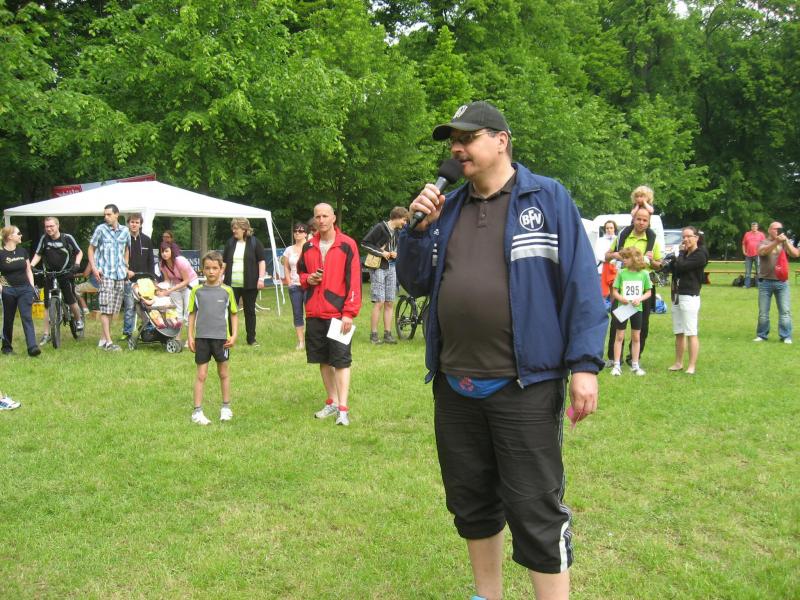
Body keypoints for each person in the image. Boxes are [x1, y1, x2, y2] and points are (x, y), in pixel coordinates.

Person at [396, 101, 606, 600]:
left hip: (524, 384)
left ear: (501, 141)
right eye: (453, 140)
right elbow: (416, 282)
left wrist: (584, 365)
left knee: (534, 506)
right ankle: (486, 595)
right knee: (472, 503)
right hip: (455, 384)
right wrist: (417, 231)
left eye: (467, 137)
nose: (457, 148)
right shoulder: (448, 210)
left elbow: (581, 284)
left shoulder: (548, 198)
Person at [298, 203, 362, 427]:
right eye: (318, 216)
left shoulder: (347, 244)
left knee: (341, 361)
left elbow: (355, 280)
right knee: (323, 360)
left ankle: (343, 409)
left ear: (334, 218)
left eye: (325, 216)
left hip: (338, 313)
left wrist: (349, 313)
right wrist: (308, 279)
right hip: (314, 312)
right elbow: (301, 273)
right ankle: (332, 401)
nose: (321, 220)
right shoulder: (308, 246)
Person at [604, 207, 662, 366]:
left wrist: (652, 261)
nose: (641, 222)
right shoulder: (623, 237)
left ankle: (634, 358)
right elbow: (607, 256)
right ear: (633, 220)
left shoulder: (653, 241)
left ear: (648, 222)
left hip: (643, 286)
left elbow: (659, 264)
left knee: (642, 324)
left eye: (645, 220)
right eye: (639, 219)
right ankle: (614, 358)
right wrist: (615, 255)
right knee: (618, 321)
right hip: (623, 285)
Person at [187, 251, 238, 425]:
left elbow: (234, 314)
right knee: (201, 375)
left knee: (223, 373)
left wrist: (234, 335)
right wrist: (190, 336)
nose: (211, 271)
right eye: (207, 268)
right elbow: (192, 314)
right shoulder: (196, 291)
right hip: (202, 339)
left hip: (222, 340)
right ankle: (197, 411)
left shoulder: (227, 291)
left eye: (215, 268)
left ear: (221, 269)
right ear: (202, 269)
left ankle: (226, 407)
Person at [30, 217, 84, 345]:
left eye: (51, 226)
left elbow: (79, 252)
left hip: (66, 273)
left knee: (70, 299)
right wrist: (31, 265)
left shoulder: (67, 238)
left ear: (57, 226)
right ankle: (46, 334)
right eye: (47, 227)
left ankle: (78, 320)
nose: (49, 229)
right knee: (47, 304)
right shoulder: (44, 239)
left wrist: (77, 264)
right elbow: (38, 254)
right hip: (49, 274)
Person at [361, 206, 409, 344]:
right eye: (404, 220)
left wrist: (396, 253)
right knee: (379, 302)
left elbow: (397, 248)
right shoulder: (380, 227)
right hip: (378, 268)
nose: (405, 223)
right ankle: (374, 335)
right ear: (397, 217)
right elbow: (365, 243)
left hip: (392, 267)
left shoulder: (398, 232)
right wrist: (382, 253)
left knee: (389, 302)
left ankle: (388, 334)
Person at [87, 204, 130, 351]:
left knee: (113, 309)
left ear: (117, 214)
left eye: (109, 214)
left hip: (120, 274)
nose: (106, 217)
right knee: (105, 308)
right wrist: (94, 268)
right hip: (105, 273)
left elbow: (127, 249)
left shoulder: (125, 231)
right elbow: (91, 248)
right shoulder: (101, 229)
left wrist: (126, 266)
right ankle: (109, 343)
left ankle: (103, 338)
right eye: (105, 214)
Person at [668, 226, 709, 374]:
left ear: (696, 237)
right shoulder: (684, 254)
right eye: (683, 237)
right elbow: (674, 268)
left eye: (688, 236)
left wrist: (679, 254)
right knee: (678, 331)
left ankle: (691, 366)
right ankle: (678, 362)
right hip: (677, 295)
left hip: (690, 295)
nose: (685, 239)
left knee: (691, 332)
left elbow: (682, 266)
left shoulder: (700, 255)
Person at [222, 218, 266, 347]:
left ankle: (251, 339)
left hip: (250, 284)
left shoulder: (255, 242)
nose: (233, 231)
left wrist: (261, 279)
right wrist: (220, 277)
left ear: (244, 229)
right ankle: (229, 338)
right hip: (231, 284)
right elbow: (224, 262)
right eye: (233, 228)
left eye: (236, 228)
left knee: (250, 311)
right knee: (230, 311)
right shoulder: (230, 243)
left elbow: (261, 261)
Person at [753, 221, 800, 344]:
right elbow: (762, 252)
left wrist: (786, 242)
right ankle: (762, 335)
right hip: (765, 282)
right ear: (769, 230)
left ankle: (786, 336)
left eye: (780, 229)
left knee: (785, 311)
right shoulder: (763, 242)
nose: (777, 231)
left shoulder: (784, 242)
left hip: (782, 282)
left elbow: (796, 254)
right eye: (775, 229)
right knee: (763, 312)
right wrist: (776, 242)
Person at [609, 247, 652, 376]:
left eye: (626, 258)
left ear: (635, 259)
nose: (624, 260)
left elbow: (648, 292)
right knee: (619, 336)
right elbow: (614, 291)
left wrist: (640, 299)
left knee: (636, 337)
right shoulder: (621, 273)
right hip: (623, 308)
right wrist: (620, 298)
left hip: (637, 308)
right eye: (623, 258)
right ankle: (616, 365)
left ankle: (635, 365)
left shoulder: (644, 274)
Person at [0, 226, 41, 357]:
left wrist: (32, 286)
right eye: (18, 233)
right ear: (10, 237)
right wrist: (1, 288)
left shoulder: (22, 251)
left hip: (25, 289)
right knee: (8, 319)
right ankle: (6, 348)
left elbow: (28, 270)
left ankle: (32, 347)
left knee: (27, 317)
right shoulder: (1, 254)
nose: (21, 235)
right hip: (8, 290)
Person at [121, 213, 155, 340]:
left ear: (140, 224)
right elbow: (120, 259)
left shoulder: (147, 240)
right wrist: (125, 272)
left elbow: (151, 260)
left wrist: (152, 277)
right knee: (130, 306)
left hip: (145, 280)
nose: (134, 224)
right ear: (128, 224)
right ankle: (127, 332)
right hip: (129, 279)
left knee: (146, 305)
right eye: (132, 222)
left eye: (137, 222)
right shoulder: (123, 239)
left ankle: (148, 329)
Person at [157, 241, 198, 341]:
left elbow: (186, 280)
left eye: (166, 251)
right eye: (162, 252)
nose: (164, 254)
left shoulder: (180, 261)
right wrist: (159, 287)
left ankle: (190, 339)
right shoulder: (162, 264)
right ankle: (177, 337)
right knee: (176, 312)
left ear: (171, 251)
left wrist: (170, 290)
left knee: (188, 312)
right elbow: (167, 280)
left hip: (190, 284)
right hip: (176, 285)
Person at [281, 223, 308, 350]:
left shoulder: (310, 247)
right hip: (294, 286)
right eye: (296, 230)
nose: (297, 233)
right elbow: (286, 267)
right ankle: (301, 341)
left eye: (301, 231)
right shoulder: (289, 250)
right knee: (297, 314)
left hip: (308, 285)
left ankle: (312, 339)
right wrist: (289, 281)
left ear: (306, 234)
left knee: (311, 314)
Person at [741, 222, 765, 289]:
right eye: (753, 226)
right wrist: (744, 251)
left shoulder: (761, 234)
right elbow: (743, 244)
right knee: (747, 271)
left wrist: (762, 252)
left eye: (755, 226)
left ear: (757, 227)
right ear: (751, 227)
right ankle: (747, 285)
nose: (754, 228)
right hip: (748, 255)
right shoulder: (747, 234)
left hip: (758, 255)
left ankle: (759, 285)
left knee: (758, 271)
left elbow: (764, 244)